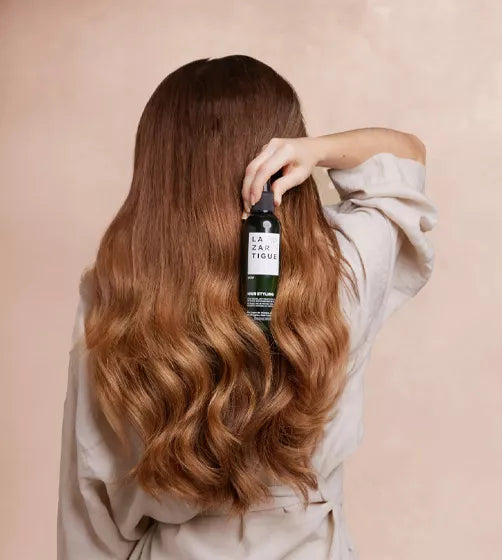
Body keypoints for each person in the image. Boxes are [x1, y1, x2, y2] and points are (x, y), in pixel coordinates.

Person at [57, 54, 437, 560]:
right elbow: (407, 156)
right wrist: (317, 150)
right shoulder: (344, 269)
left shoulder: (116, 297)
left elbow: (89, 497)